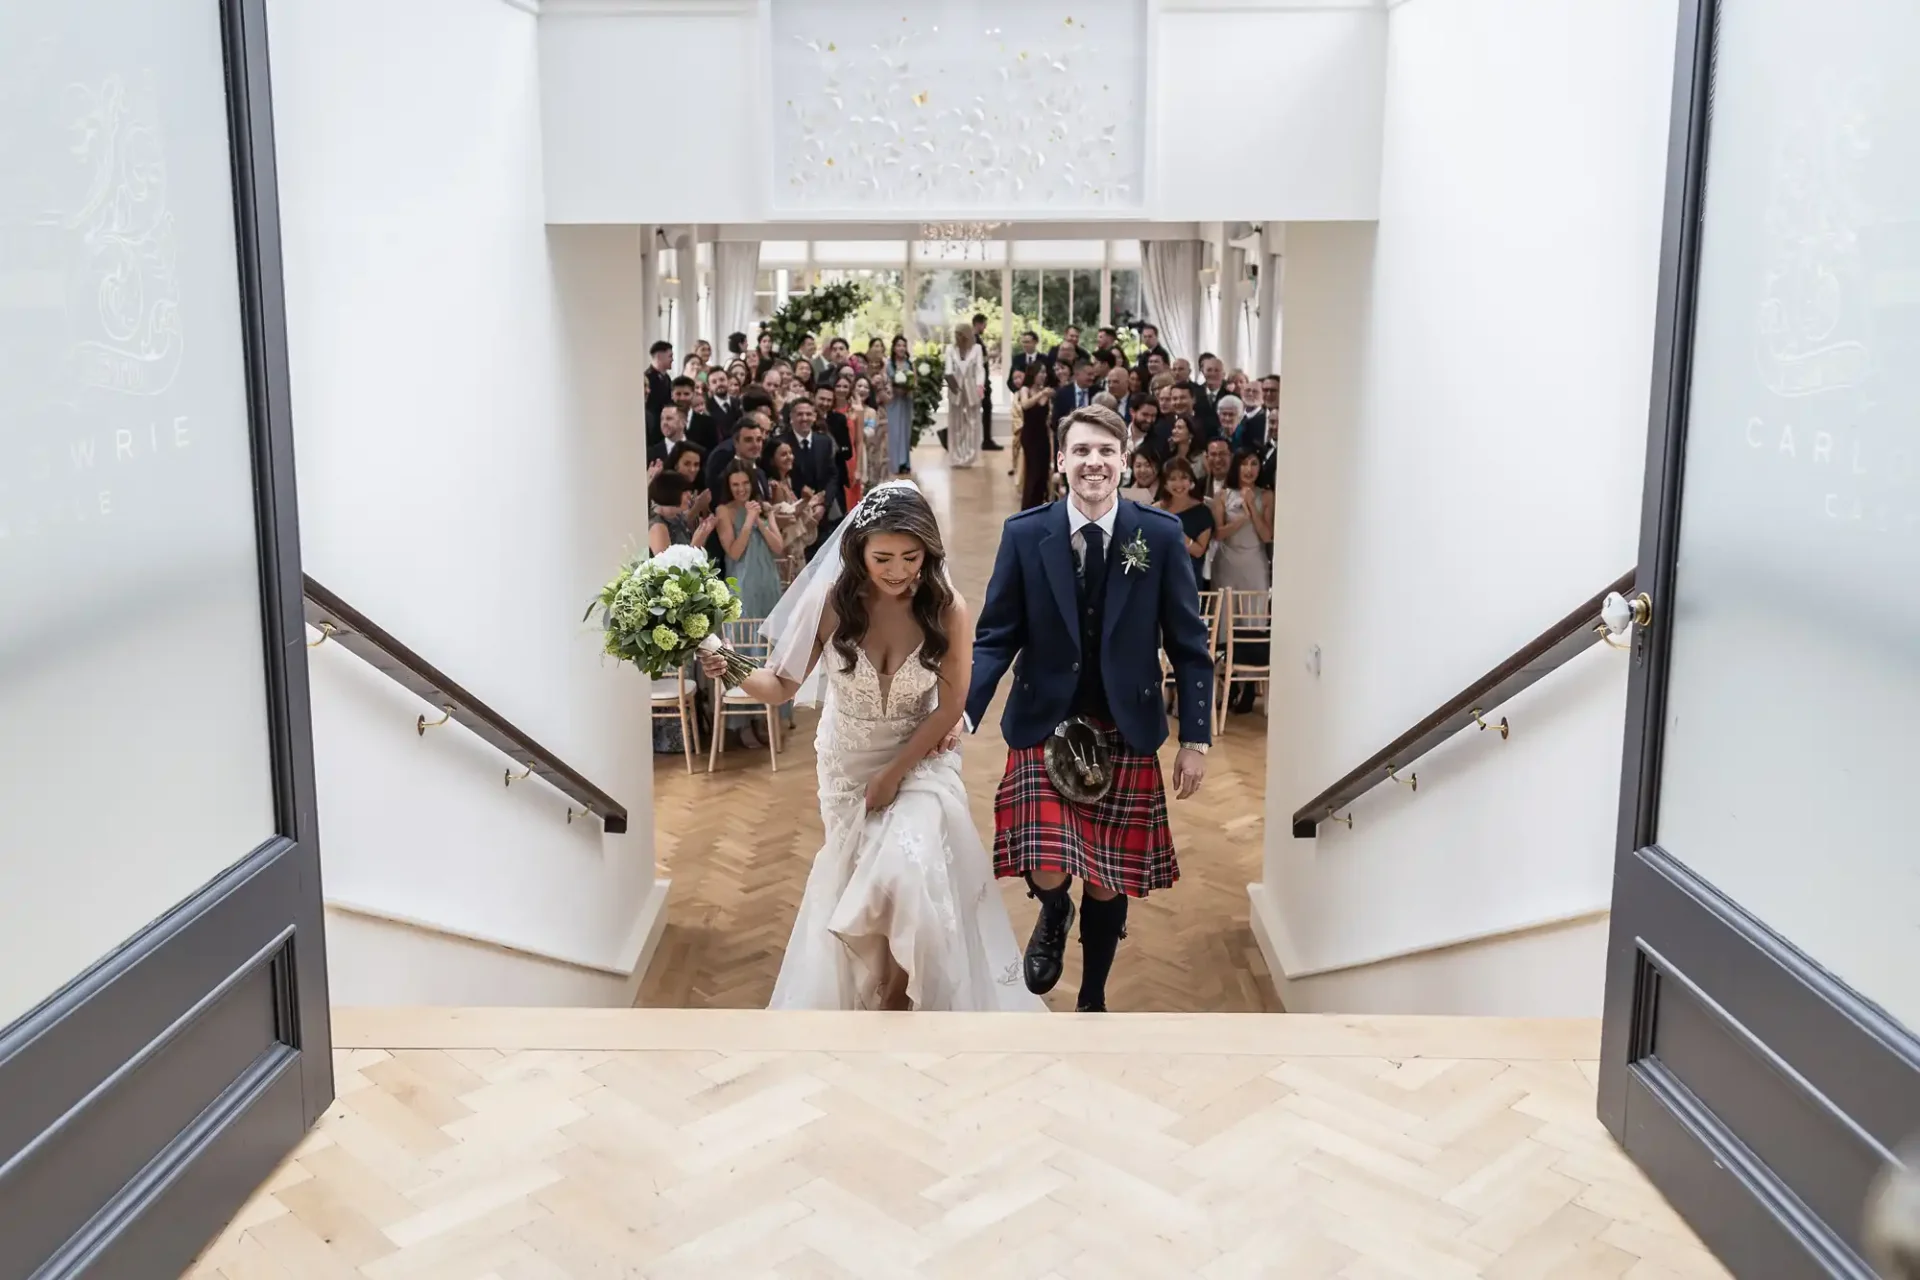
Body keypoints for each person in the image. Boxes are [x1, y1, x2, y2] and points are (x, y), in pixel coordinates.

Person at [699, 481, 1043, 1012]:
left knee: (905, 874)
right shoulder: (832, 605)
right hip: (846, 766)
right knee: (866, 889)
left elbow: (951, 707)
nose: (900, 570)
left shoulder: (947, 608)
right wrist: (728, 662)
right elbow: (780, 686)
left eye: (912, 556)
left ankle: (902, 1003)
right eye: (883, 557)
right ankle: (874, 999)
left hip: (922, 755)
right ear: (858, 551)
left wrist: (894, 774)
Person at [965, 406, 1214, 1013]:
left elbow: (1187, 643)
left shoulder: (1155, 535)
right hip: (1043, 719)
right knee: (1046, 859)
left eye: (1105, 451)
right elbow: (996, 635)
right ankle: (1053, 908)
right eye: (1080, 451)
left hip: (1125, 728)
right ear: (1060, 462)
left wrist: (1196, 738)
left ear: (1124, 461)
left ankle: (1094, 998)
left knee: (1108, 878)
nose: (1093, 462)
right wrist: (963, 713)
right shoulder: (1027, 534)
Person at [1014, 358, 1056, 511]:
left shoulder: (1045, 391)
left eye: (1045, 372)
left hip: (1043, 436)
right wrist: (1041, 394)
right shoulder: (1026, 389)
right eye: (1041, 372)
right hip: (1030, 436)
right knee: (1033, 471)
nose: (1044, 375)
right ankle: (1028, 507)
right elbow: (1025, 405)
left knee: (1043, 472)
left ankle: (1040, 504)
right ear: (1034, 374)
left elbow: (1048, 417)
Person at [944, 322, 984, 468]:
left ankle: (970, 456)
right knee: (955, 424)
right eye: (956, 334)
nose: (958, 337)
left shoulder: (977, 348)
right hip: (955, 390)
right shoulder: (950, 349)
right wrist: (954, 387)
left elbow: (980, 370)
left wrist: (980, 387)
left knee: (973, 423)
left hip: (972, 390)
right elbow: (948, 370)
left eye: (960, 334)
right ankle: (956, 457)